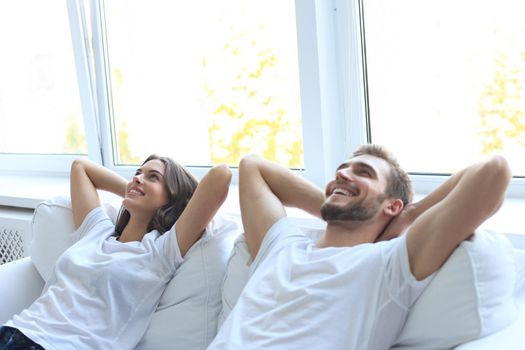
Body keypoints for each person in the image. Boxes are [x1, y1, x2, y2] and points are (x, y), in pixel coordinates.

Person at [208, 144, 511, 349]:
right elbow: (252, 167)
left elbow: (493, 171)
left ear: (393, 205)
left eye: (363, 173)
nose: (342, 173)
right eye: (341, 170)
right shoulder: (283, 246)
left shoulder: (389, 262)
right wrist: (339, 203)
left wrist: (408, 216)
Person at [0, 155, 232, 350]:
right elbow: (80, 167)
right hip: (16, 329)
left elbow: (221, 175)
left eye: (153, 177)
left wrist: (164, 200)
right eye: (137, 174)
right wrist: (134, 189)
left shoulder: (161, 252)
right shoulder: (97, 230)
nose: (138, 178)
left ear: (172, 197)